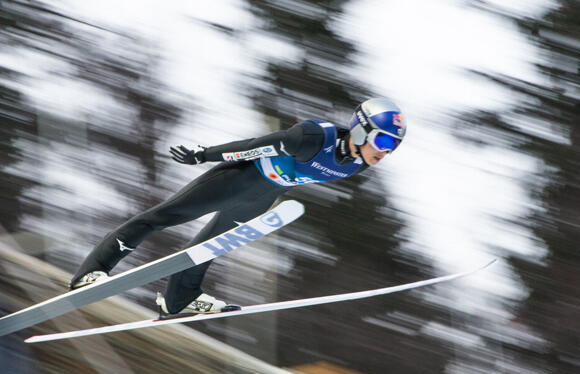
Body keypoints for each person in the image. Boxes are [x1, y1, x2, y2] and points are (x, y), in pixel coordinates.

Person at [69, 96, 407, 318]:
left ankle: (179, 299)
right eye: (382, 140)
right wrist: (204, 154)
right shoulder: (313, 138)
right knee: (163, 217)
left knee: (213, 245)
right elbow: (254, 146)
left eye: (393, 146)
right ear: (360, 129)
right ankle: (92, 271)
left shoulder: (357, 165)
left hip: (264, 194)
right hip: (238, 179)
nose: (385, 151)